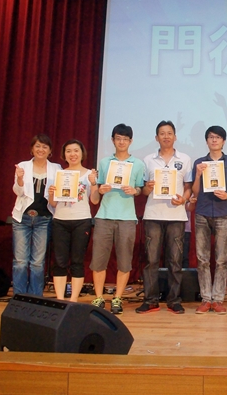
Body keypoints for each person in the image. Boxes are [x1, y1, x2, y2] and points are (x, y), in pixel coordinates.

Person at [136, 121, 192, 315]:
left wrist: (184, 199)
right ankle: (150, 300)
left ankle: (174, 300)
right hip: (153, 215)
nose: (166, 136)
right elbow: (143, 190)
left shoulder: (185, 159)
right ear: (156, 137)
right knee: (151, 260)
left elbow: (188, 187)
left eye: (169, 133)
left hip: (176, 215)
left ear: (175, 137)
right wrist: (148, 187)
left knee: (175, 261)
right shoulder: (148, 159)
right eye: (162, 133)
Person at [90, 123, 145, 314]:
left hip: (127, 218)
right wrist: (101, 189)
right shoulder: (105, 162)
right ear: (113, 140)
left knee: (124, 261)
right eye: (118, 138)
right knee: (99, 260)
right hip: (104, 216)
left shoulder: (138, 164)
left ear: (131, 141)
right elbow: (96, 194)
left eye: (125, 139)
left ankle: (118, 298)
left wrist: (135, 190)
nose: (121, 142)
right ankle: (98, 297)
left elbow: (140, 189)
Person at [191, 125, 227, 315]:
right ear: (206, 141)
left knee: (221, 259)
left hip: (223, 213)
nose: (214, 140)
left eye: (218, 137)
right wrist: (198, 174)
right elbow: (195, 192)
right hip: (202, 213)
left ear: (224, 141)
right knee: (202, 259)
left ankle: (218, 299)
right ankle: (206, 299)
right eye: (211, 137)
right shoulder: (199, 162)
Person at [12, 134, 62, 296]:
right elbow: (18, 192)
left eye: (45, 147)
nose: (41, 149)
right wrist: (20, 179)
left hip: (44, 219)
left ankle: (35, 296)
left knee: (38, 262)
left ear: (50, 151)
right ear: (32, 149)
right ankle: (19, 296)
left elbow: (58, 196)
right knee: (20, 261)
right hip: (22, 218)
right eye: (38, 146)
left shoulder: (57, 168)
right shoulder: (23, 166)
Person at [47, 139, 96, 302]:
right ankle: (60, 299)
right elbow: (54, 204)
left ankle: (73, 299)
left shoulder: (89, 174)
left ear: (82, 153)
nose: (72, 154)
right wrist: (52, 193)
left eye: (76, 150)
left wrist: (93, 184)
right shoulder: (59, 174)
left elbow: (95, 200)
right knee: (59, 261)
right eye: (68, 151)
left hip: (82, 220)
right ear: (64, 154)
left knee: (77, 261)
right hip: (60, 220)